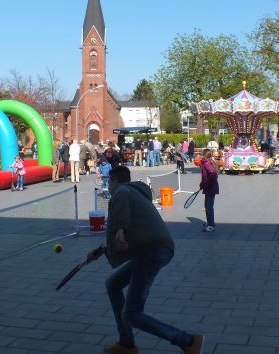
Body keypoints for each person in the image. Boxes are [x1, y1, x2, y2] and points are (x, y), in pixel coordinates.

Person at [86, 165, 205, 354]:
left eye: (109, 181)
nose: (108, 185)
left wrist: (120, 230)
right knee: (113, 284)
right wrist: (104, 250)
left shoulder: (122, 191)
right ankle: (126, 344)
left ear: (113, 181)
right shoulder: (134, 193)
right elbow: (134, 228)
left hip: (153, 251)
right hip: (153, 248)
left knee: (132, 313)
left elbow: (121, 218)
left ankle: (187, 340)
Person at [200, 148, 219, 232]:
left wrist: (206, 184)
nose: (200, 156)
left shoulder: (207, 163)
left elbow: (213, 174)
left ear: (205, 155)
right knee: (207, 207)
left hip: (211, 188)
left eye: (201, 154)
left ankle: (211, 225)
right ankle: (209, 222)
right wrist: (202, 184)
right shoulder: (206, 162)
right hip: (208, 188)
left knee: (209, 207)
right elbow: (205, 176)